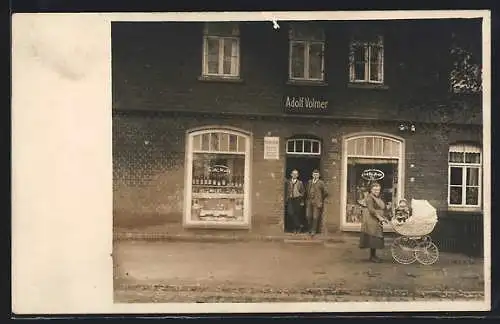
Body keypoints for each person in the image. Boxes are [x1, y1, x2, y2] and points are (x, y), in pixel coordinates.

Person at [359, 182, 387, 263]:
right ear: (371, 190)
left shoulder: (376, 197)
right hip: (371, 220)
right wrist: (380, 218)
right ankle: (372, 257)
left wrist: (383, 217)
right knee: (373, 238)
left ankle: (374, 256)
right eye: (375, 190)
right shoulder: (369, 198)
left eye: (378, 190)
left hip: (375, 220)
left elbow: (380, 207)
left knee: (374, 238)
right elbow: (371, 210)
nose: (377, 191)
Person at [305, 169, 328, 238]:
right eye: (314, 174)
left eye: (317, 174)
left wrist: (320, 198)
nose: (315, 175)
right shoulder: (310, 182)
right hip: (309, 201)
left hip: (317, 202)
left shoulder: (321, 183)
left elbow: (326, 192)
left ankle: (313, 231)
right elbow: (307, 191)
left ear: (319, 175)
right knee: (308, 216)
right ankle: (309, 229)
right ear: (312, 175)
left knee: (315, 217)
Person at [285, 169, 305, 234]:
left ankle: (295, 229)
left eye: (296, 174)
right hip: (290, 199)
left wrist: (301, 199)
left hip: (297, 199)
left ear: (298, 175)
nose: (294, 175)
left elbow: (303, 192)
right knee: (290, 213)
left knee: (297, 213)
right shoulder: (288, 182)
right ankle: (299, 225)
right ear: (291, 174)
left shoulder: (300, 182)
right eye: (293, 173)